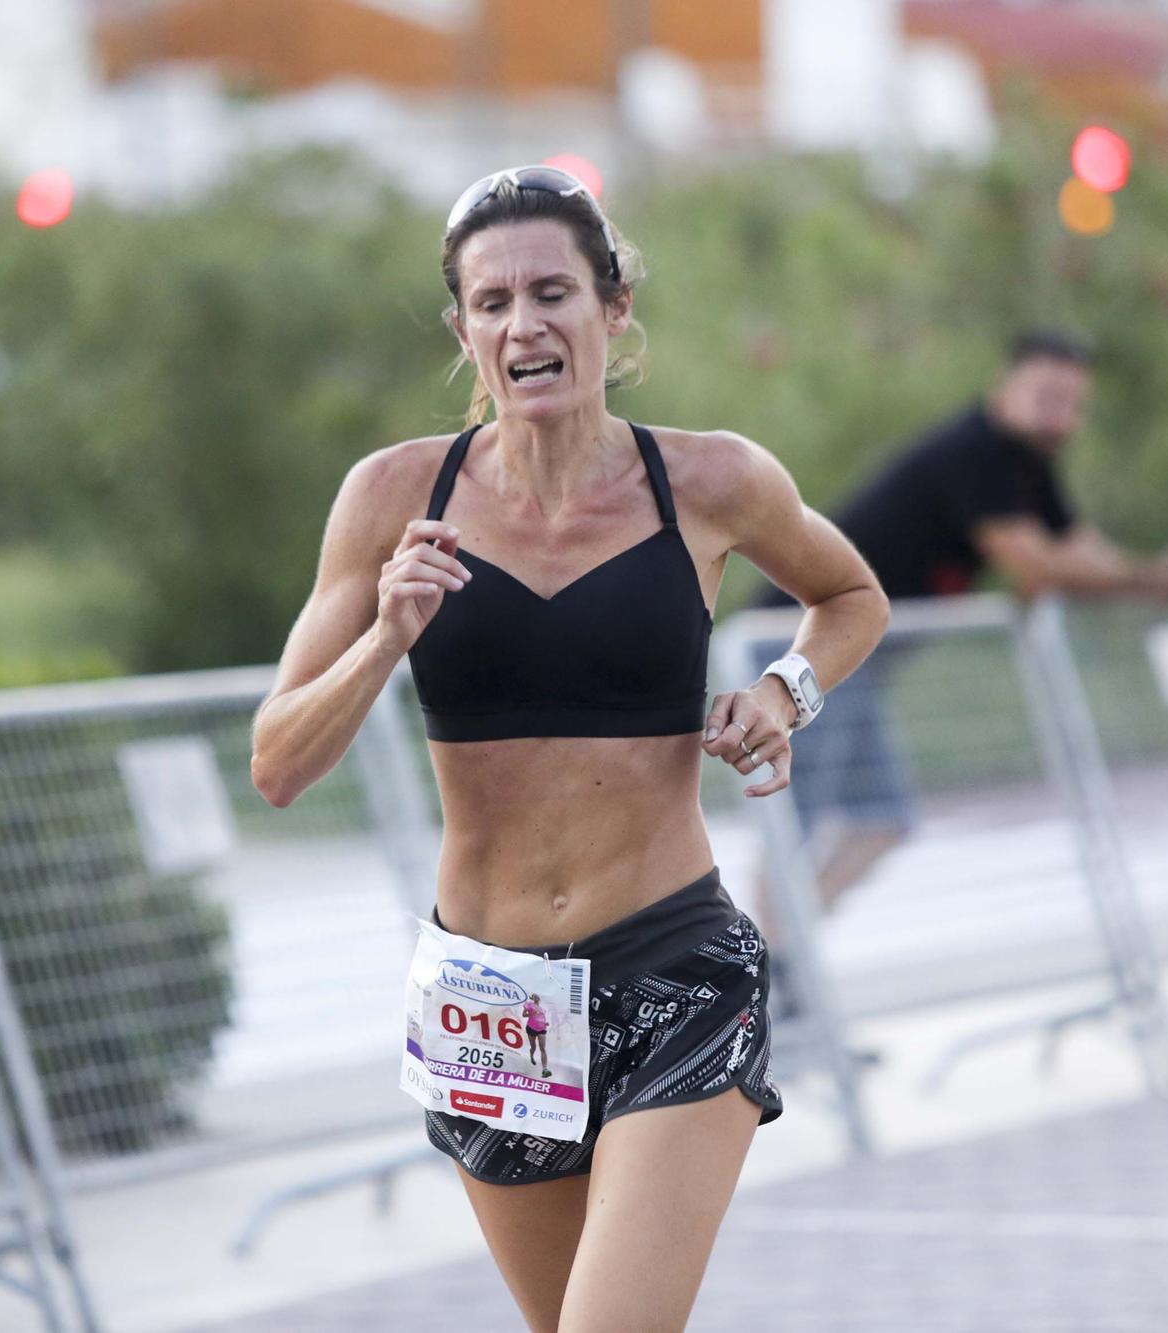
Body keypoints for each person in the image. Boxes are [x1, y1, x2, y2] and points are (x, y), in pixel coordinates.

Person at [250, 164, 887, 1332]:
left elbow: (849, 595)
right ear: (462, 331)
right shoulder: (392, 496)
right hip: (491, 1002)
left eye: (552, 292)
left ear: (612, 308)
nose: (523, 323)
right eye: (491, 303)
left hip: (673, 971)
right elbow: (279, 762)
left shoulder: (707, 480)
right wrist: (387, 633)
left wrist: (784, 693)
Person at [751, 329, 1168, 942]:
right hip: (803, 642)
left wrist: (1167, 574)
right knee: (794, 822)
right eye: (1048, 396)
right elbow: (1036, 565)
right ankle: (765, 986)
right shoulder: (974, 452)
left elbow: (1078, 550)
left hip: (854, 661)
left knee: (881, 820)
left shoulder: (1029, 465)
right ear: (1007, 386)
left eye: (1074, 404)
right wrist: (1164, 581)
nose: (1062, 417)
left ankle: (779, 969)